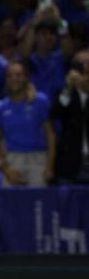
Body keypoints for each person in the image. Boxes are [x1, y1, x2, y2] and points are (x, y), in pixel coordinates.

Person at [0, 62, 56, 187]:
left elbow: (51, 135)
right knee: (10, 204)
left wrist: (49, 166)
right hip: (11, 160)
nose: (14, 79)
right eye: (10, 75)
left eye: (18, 75)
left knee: (39, 203)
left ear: (26, 77)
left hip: (39, 160)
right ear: (6, 79)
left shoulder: (41, 101)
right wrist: (6, 170)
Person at [52, 50, 89, 184]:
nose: (85, 67)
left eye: (88, 64)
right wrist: (68, 87)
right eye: (81, 64)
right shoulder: (67, 92)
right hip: (71, 162)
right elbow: (56, 112)